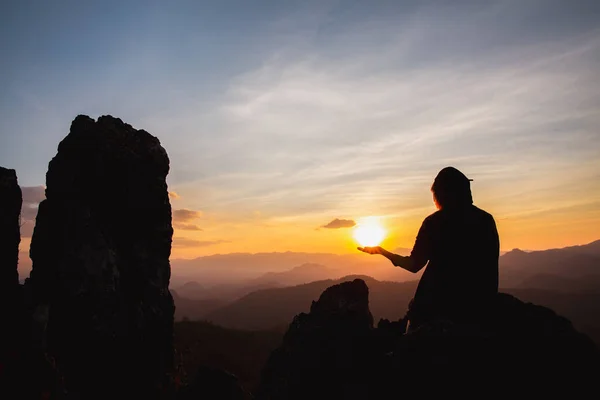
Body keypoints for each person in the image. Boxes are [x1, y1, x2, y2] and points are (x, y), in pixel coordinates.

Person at [358, 166, 499, 329]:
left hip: (434, 306)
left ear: (441, 193)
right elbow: (491, 269)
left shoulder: (434, 222)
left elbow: (414, 265)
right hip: (476, 309)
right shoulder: (486, 220)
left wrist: (382, 252)